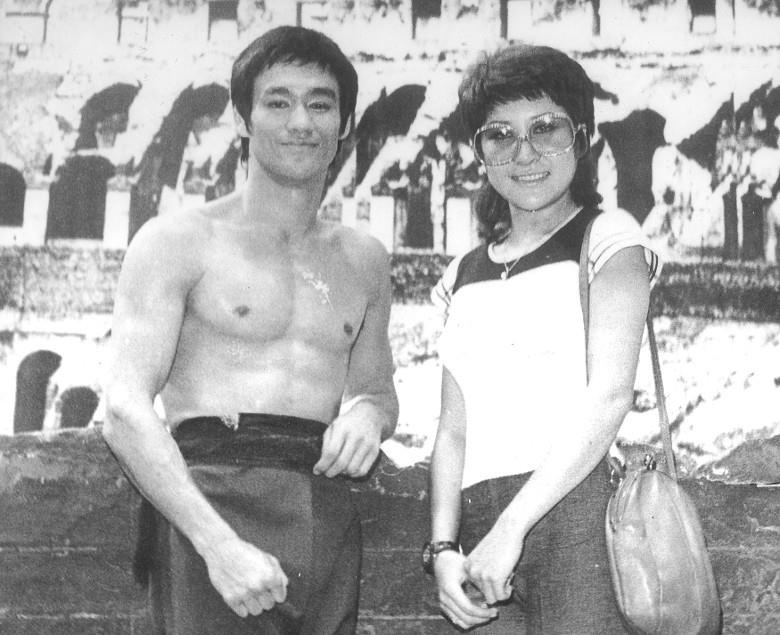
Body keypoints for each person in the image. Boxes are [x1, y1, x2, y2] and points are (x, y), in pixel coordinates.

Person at [102, 26, 398, 635]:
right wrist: (217, 545)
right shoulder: (178, 240)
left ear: (345, 124)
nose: (301, 122)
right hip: (210, 504)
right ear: (242, 118)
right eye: (278, 102)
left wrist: (368, 416)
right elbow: (123, 408)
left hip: (324, 509)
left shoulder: (364, 259)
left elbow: (377, 390)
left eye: (321, 104)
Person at [425, 44, 661, 633]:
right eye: (500, 135)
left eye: (546, 128)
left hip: (575, 518)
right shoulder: (461, 274)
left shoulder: (609, 238)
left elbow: (609, 396)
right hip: (478, 536)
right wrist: (444, 548)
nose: (524, 153)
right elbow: (453, 430)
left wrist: (513, 528)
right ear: (479, 151)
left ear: (581, 138)